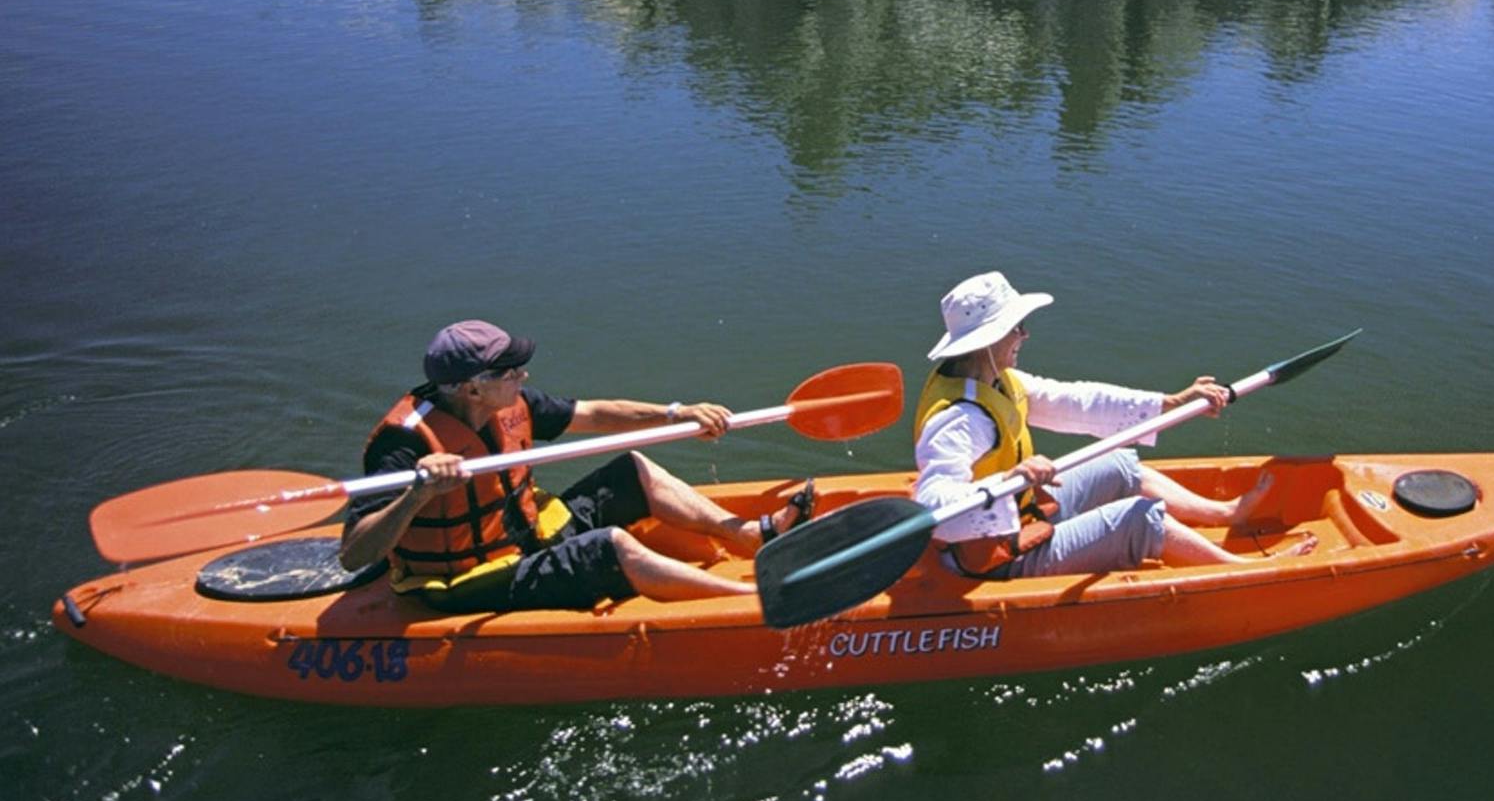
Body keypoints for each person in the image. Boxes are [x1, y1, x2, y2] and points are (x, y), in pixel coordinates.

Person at [339, 320, 813, 612]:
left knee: (634, 469)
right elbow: (355, 555)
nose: (523, 377)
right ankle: (751, 602)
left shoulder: (510, 403)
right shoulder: (402, 446)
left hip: (523, 540)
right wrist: (418, 493)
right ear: (472, 388)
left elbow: (593, 413)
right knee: (610, 547)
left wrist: (676, 412)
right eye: (510, 372)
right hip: (460, 581)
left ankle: (749, 536)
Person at [913, 272, 1318, 580]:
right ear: (989, 339)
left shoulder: (998, 380)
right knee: (1139, 518)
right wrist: (1010, 480)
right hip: (995, 559)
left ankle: (1226, 514)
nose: (1025, 334)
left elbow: (1079, 401)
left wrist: (1170, 403)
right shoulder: (960, 418)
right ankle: (1241, 571)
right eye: (1016, 327)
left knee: (1122, 463)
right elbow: (934, 505)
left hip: (1022, 515)